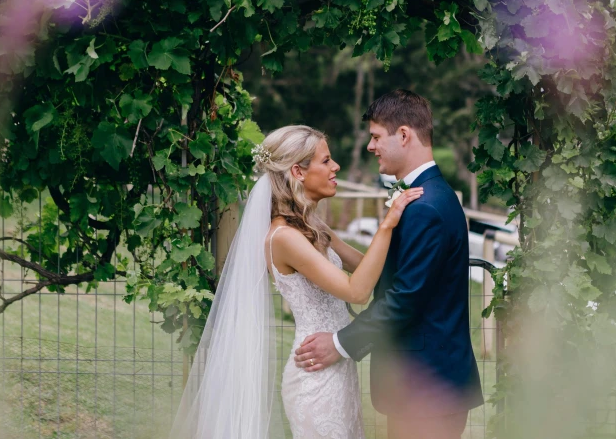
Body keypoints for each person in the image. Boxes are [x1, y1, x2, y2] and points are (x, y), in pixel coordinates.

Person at [169, 124, 422, 439]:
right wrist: (387, 224)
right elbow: (357, 291)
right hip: (314, 377)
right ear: (298, 172)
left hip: (337, 366)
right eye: (326, 161)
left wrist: (409, 231)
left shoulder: (314, 226)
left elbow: (372, 268)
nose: (336, 167)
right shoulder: (284, 237)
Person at [294, 90, 484, 439]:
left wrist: (339, 344)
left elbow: (405, 298)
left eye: (376, 137)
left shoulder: (426, 207)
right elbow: (390, 273)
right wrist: (331, 239)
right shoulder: (424, 196)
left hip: (429, 389)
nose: (371, 147)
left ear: (404, 135)